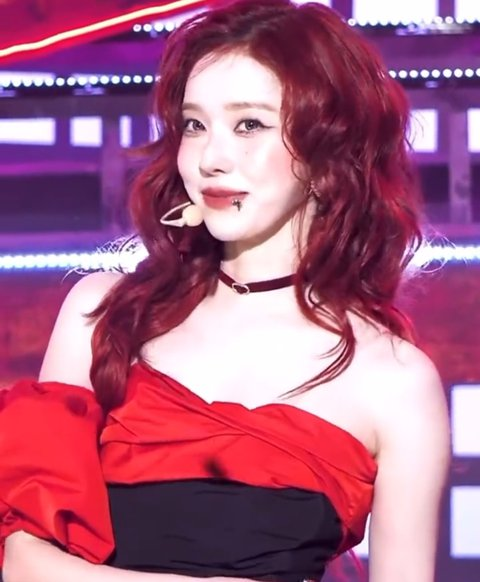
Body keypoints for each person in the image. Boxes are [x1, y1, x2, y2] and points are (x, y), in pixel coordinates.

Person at [1, 1, 450, 581]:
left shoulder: (394, 380)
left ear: (328, 153)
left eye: (249, 125)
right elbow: (23, 563)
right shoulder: (103, 314)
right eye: (195, 125)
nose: (211, 159)